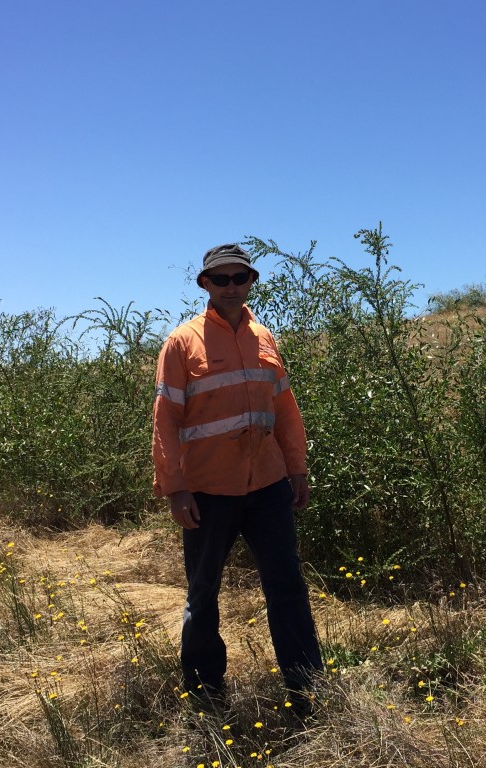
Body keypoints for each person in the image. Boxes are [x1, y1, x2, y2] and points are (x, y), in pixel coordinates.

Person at [152, 243, 322, 715]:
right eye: (220, 279)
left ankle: (306, 687)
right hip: (208, 490)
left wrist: (297, 468)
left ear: (251, 281)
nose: (230, 287)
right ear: (204, 284)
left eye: (239, 278)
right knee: (203, 592)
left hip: (267, 485)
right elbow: (166, 418)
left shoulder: (264, 337)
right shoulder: (182, 342)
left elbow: (285, 409)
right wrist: (175, 486)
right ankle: (206, 694)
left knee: (287, 587)